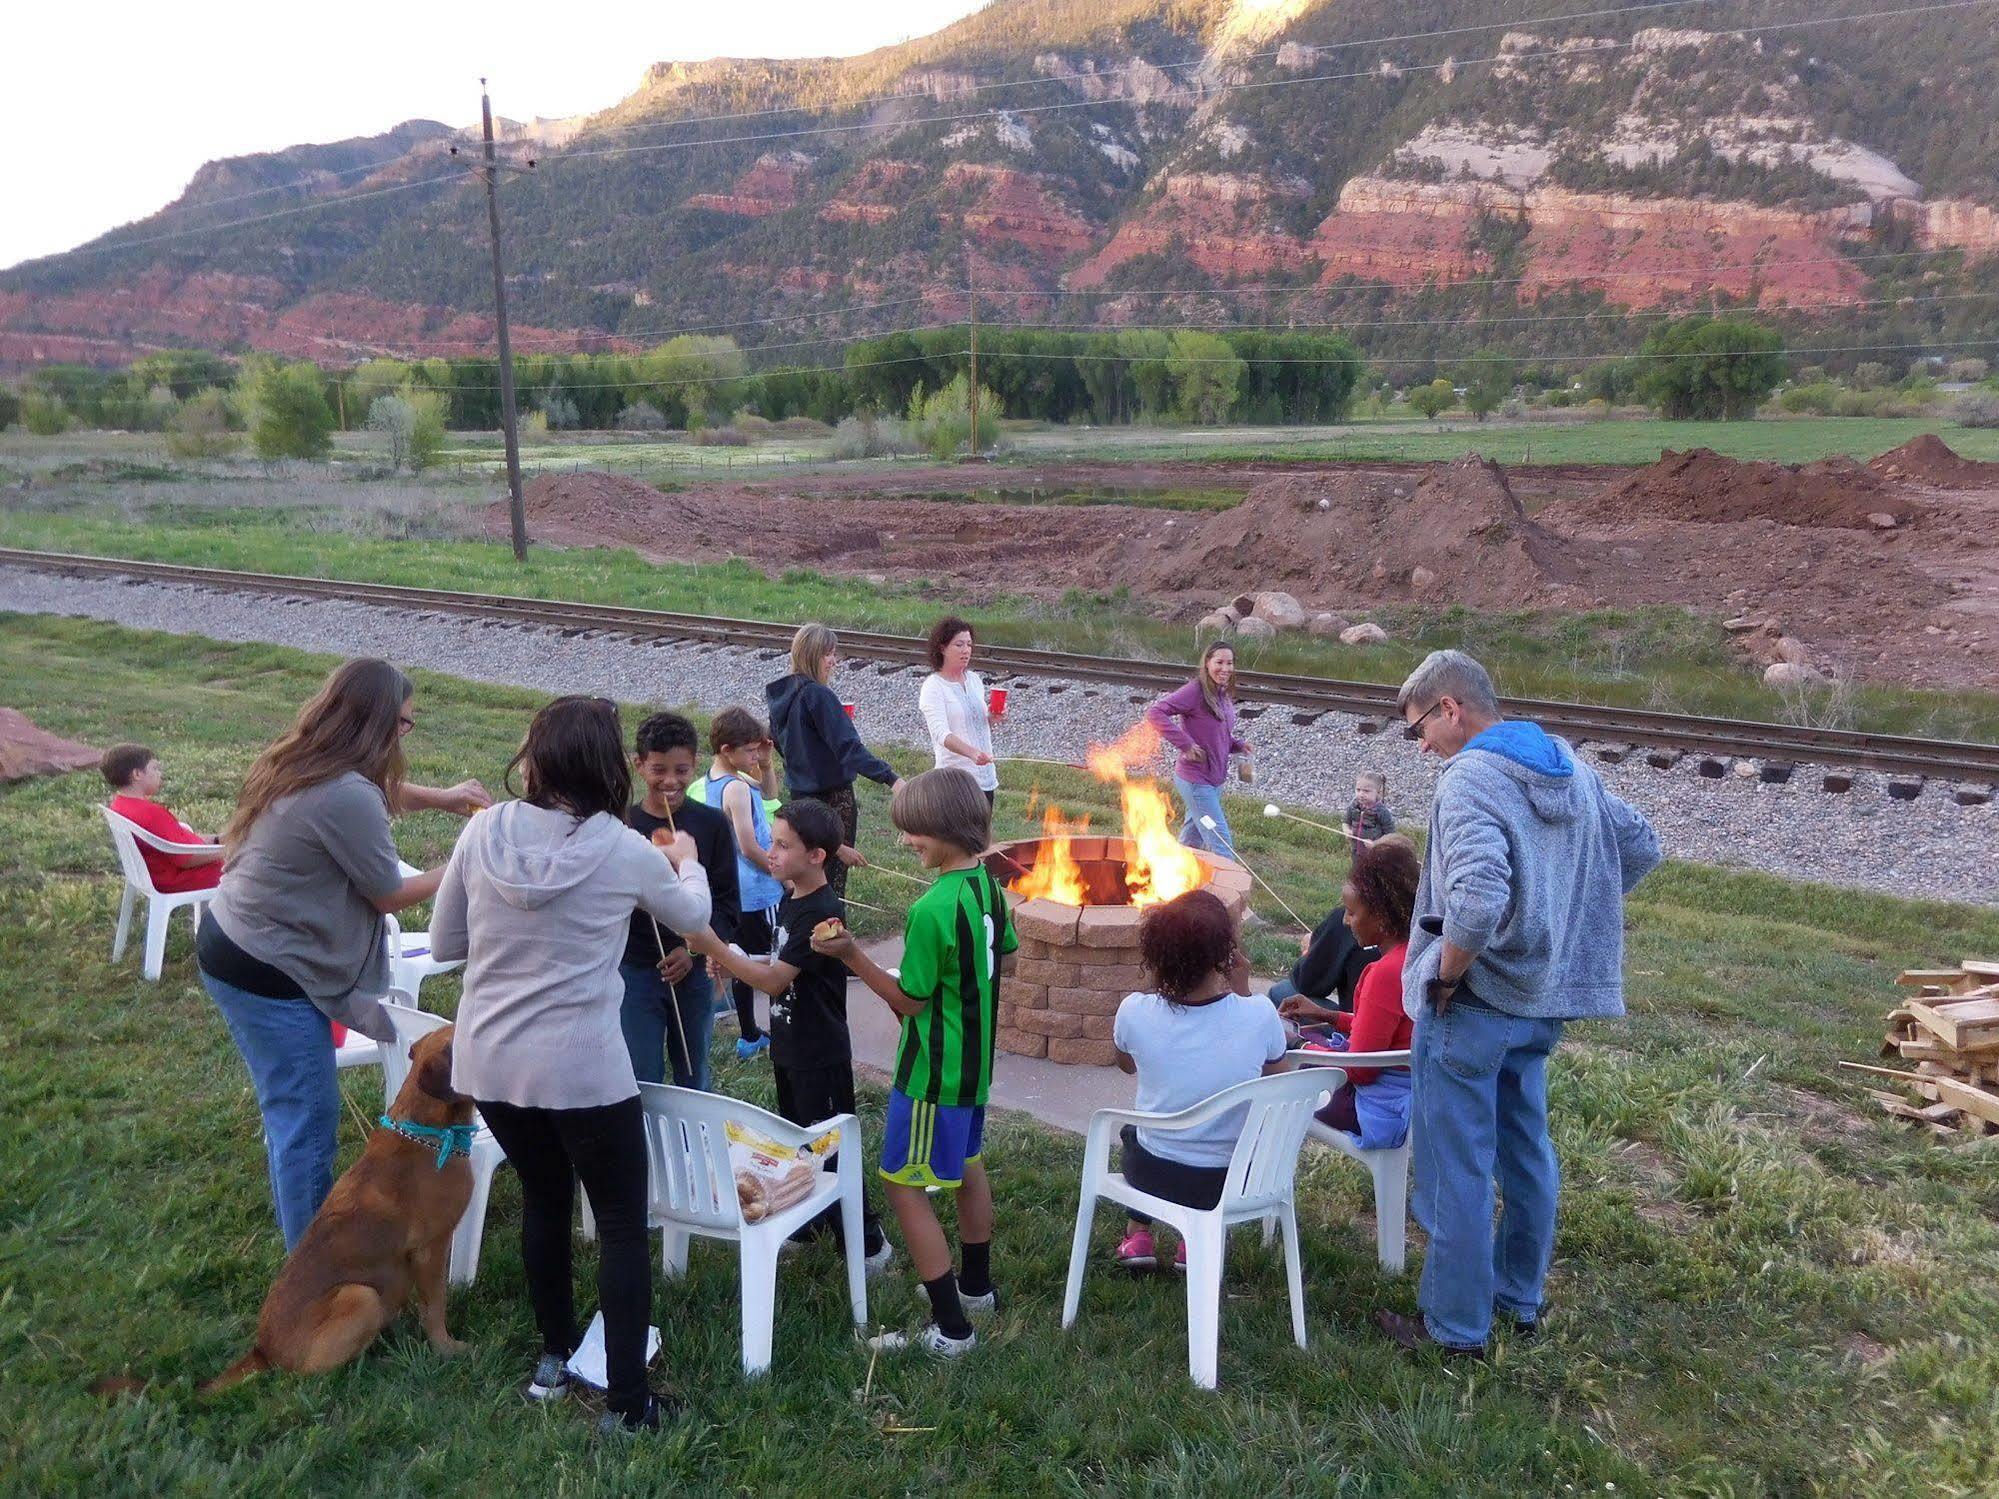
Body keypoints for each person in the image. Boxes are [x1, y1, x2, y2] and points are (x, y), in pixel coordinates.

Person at [434, 695, 711, 1435]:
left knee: (544, 1197)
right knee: (621, 1222)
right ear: (609, 766)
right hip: (584, 1069)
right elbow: (693, 921)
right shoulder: (624, 849)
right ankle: (628, 1405)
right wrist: (687, 864)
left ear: (535, 757)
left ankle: (554, 1358)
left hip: (490, 1059)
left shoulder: (484, 828)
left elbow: (441, 945)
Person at [1378, 649, 1660, 1361]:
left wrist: (1443, 975)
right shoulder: (1567, 763)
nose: (1420, 746)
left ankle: (1454, 1328)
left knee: (1457, 1167)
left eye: (1419, 727)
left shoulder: (1469, 777)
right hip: (1540, 1002)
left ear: (1451, 708)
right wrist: (1560, 911)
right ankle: (1517, 1299)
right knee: (1525, 1151)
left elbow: (1474, 902)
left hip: (1474, 1004)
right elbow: (1640, 845)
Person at [196, 658, 489, 1250]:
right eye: (403, 725)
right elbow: (388, 894)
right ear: (376, 723)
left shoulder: (303, 758)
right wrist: (465, 860)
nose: (406, 734)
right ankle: (313, 1270)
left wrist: (444, 797)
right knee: (306, 1121)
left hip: (239, 942)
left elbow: (377, 791)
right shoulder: (344, 793)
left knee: (293, 1106)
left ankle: (304, 1218)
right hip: (266, 969)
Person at [811, 768, 1013, 1357]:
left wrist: (852, 954)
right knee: (968, 1163)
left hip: (931, 1075)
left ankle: (952, 1329)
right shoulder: (990, 890)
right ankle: (976, 1289)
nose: (905, 842)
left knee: (903, 1184)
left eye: (913, 833)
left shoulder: (931, 909)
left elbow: (908, 1000)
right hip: (975, 1069)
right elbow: (1004, 962)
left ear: (947, 831)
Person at [689, 798, 892, 1271]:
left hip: (819, 1052)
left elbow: (777, 981)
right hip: (790, 1045)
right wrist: (740, 955)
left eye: (783, 845)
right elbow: (784, 965)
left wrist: (717, 945)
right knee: (801, 1140)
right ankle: (812, 1221)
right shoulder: (792, 898)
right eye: (772, 842)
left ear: (817, 856)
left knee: (832, 1149)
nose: (771, 852)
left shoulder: (821, 910)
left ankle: (867, 1243)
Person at [1109, 889, 1290, 1270]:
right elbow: (1277, 1081)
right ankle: (1192, 1245)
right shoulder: (1259, 1015)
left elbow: (1126, 1065)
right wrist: (1242, 993)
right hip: (1230, 1181)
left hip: (1152, 1175)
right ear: (1225, 955)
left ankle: (1137, 1236)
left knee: (1135, 1133)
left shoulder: (1134, 1011)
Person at [618, 712, 739, 1092]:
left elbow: (727, 903)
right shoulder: (622, 826)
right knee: (642, 1073)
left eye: (681, 769)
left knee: (693, 1067)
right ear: (638, 766)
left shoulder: (713, 824)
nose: (670, 781)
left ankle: (696, 1142)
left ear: (696, 765)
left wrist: (693, 951)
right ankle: (651, 1144)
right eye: (658, 769)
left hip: (695, 972)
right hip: (635, 969)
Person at [1278, 836, 1420, 1149]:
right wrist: (1327, 1015)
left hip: (1377, 1111)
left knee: (1271, 1078)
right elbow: (1387, 1035)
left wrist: (1298, 1045)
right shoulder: (1415, 956)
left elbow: (1361, 1069)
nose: (1345, 921)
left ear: (1381, 918)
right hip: (1409, 1097)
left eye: (1351, 912)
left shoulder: (1384, 974)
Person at [765, 623, 900, 903]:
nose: (833, 661)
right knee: (831, 883)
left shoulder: (783, 694)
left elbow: (777, 742)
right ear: (813, 654)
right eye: (828, 653)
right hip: (833, 801)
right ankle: (830, 936)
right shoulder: (818, 695)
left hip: (799, 798)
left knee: (806, 876)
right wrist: (891, 778)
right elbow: (848, 747)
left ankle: (807, 933)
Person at [699, 706, 781, 1059]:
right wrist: (781, 875)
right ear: (726, 750)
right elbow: (748, 847)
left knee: (744, 960)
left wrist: (765, 762)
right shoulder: (735, 789)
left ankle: (749, 1034)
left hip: (738, 891)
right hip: (760, 891)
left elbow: (767, 793)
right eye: (749, 750)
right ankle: (780, 1027)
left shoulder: (718, 779)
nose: (754, 755)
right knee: (770, 961)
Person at [1143, 641, 1252, 859]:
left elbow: (1215, 734)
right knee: (1221, 844)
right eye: (1219, 662)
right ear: (1207, 663)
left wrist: (1237, 745)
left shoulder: (1221, 693)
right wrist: (1185, 744)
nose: (1225, 668)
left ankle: (1175, 878)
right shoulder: (1195, 691)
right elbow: (1155, 712)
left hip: (1214, 781)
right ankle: (1227, 891)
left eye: (1229, 663)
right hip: (1196, 781)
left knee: (1191, 840)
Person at [102, 742, 223, 893]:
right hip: (176, 879)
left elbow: (177, 841)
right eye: (155, 768)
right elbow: (186, 858)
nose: (159, 773)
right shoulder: (151, 813)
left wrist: (219, 840)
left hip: (151, 875)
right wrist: (232, 850)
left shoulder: (120, 804)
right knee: (250, 866)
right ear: (137, 774)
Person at [917, 615, 998, 807]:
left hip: (985, 779)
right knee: (959, 837)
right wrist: (971, 753)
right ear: (942, 648)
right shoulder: (934, 686)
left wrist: (993, 717)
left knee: (981, 836)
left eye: (969, 645)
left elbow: (975, 722)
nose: (966, 651)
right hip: (956, 783)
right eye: (959, 645)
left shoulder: (974, 681)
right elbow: (941, 734)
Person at [1344, 769, 1395, 845]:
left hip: (1375, 852)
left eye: (1366, 791)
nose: (1361, 794)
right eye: (1358, 790)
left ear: (1378, 792)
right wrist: (1347, 831)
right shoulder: (1353, 806)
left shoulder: (1382, 811)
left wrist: (1375, 843)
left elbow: (1391, 835)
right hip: (1356, 851)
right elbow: (1346, 822)